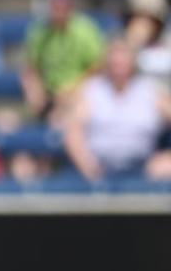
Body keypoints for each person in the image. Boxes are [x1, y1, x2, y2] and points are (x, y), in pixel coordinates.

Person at [64, 39, 171, 182]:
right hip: (98, 168)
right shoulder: (92, 90)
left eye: (123, 58)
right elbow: (73, 131)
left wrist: (167, 159)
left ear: (133, 61)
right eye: (115, 59)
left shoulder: (150, 91)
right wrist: (87, 165)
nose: (118, 64)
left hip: (143, 169)